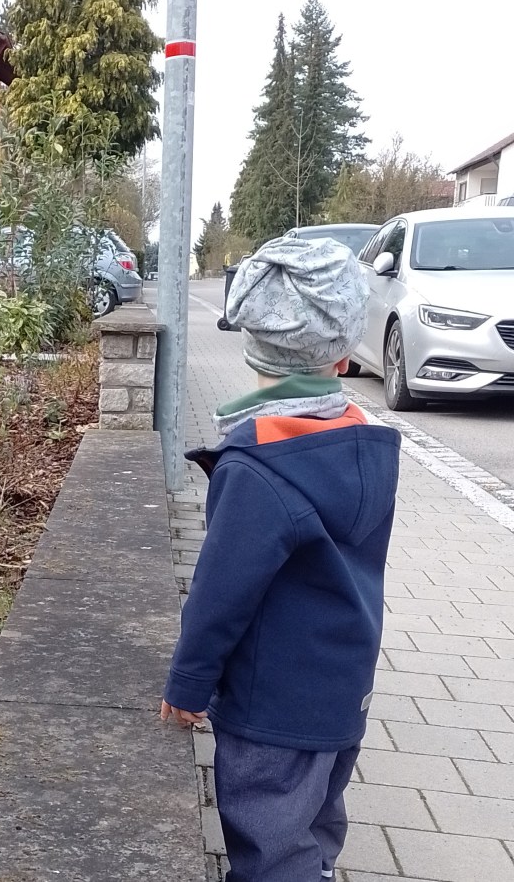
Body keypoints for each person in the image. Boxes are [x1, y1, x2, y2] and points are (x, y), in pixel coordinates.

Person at [160, 236, 401, 882]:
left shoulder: (259, 469)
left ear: (253, 345)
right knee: (315, 833)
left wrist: (187, 684)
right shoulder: (367, 445)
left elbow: (220, 594)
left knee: (270, 854)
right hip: (342, 702)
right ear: (345, 355)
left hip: (274, 715)